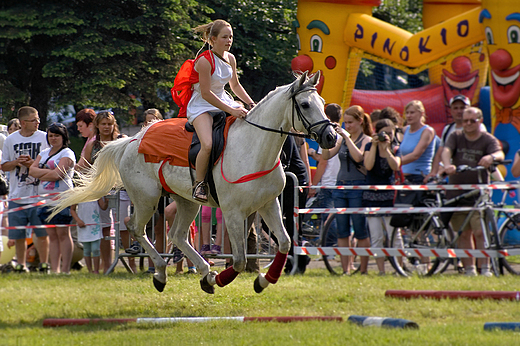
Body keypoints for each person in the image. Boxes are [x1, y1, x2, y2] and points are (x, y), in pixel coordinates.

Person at [188, 19, 255, 202]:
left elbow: (235, 85)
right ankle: (199, 184)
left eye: (231, 37)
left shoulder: (231, 58)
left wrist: (250, 103)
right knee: (207, 144)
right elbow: (206, 93)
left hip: (223, 100)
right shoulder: (204, 61)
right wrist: (231, 110)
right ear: (212, 39)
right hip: (202, 105)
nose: (229, 40)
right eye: (225, 37)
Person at [441, 107, 504, 277]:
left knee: (480, 232)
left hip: (479, 194)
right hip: (457, 193)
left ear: (480, 121)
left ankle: (485, 268)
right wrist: (447, 165)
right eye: (465, 120)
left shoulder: (487, 139)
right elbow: (446, 151)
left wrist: (491, 157)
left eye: (472, 121)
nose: (468, 124)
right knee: (463, 232)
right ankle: (470, 269)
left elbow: (499, 153)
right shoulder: (456, 136)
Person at [322, 105, 372, 275]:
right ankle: (346, 270)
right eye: (345, 123)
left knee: (360, 230)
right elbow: (327, 155)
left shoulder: (366, 140)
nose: (347, 126)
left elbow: (359, 158)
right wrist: (325, 137)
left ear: (360, 121)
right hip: (340, 187)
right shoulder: (342, 139)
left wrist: (346, 137)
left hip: (357, 188)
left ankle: (363, 269)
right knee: (342, 231)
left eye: (350, 122)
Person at [81, 111, 132, 273]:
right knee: (104, 228)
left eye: (109, 124)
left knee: (124, 227)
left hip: (122, 189)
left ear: (113, 124)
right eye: (103, 124)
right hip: (101, 192)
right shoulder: (92, 145)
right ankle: (106, 265)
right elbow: (84, 166)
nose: (106, 127)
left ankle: (132, 265)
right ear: (97, 125)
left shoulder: (121, 140)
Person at [1, 106, 50, 273]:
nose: (38, 122)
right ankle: (21, 266)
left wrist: (32, 164)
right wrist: (16, 162)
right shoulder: (10, 140)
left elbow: (50, 164)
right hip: (17, 195)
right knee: (18, 235)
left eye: (38, 120)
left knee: (42, 234)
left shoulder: (44, 138)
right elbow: (4, 165)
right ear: (23, 123)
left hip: (39, 194)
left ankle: (44, 264)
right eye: (33, 120)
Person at [29, 123, 76, 274]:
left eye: (57, 135)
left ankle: (65, 269)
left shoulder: (67, 153)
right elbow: (31, 171)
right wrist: (48, 172)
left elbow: (59, 175)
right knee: (52, 235)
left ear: (63, 137)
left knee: (63, 234)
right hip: (45, 200)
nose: (53, 138)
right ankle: (54, 269)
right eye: (51, 135)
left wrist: (40, 172)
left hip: (62, 199)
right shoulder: (43, 153)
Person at [363, 119, 402, 275]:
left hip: (389, 198)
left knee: (395, 236)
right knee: (377, 236)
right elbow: (368, 166)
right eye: (383, 133)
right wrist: (374, 145)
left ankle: (399, 268)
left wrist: (387, 150)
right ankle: (381, 271)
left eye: (390, 133)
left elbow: (395, 166)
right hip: (371, 197)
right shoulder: (368, 146)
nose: (387, 136)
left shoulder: (396, 148)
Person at [427, 95, 486, 181]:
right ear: (450, 110)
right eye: (455, 108)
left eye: (462, 108)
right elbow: (440, 152)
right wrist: (434, 172)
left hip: (473, 173)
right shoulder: (448, 129)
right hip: (450, 173)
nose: (459, 111)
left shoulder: (479, 127)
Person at [400, 100, 436, 184]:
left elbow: (415, 155)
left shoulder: (427, 131)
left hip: (419, 177)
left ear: (421, 113)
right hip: (403, 177)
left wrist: (395, 162)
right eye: (407, 113)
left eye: (412, 112)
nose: (408, 116)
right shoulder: (405, 129)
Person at [71, 197, 108, 274]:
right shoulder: (79, 194)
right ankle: (90, 270)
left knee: (95, 249)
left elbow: (103, 207)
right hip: (83, 225)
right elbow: (72, 209)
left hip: (95, 226)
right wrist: (78, 220)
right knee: (86, 250)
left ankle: (96, 270)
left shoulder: (96, 194)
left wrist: (107, 201)